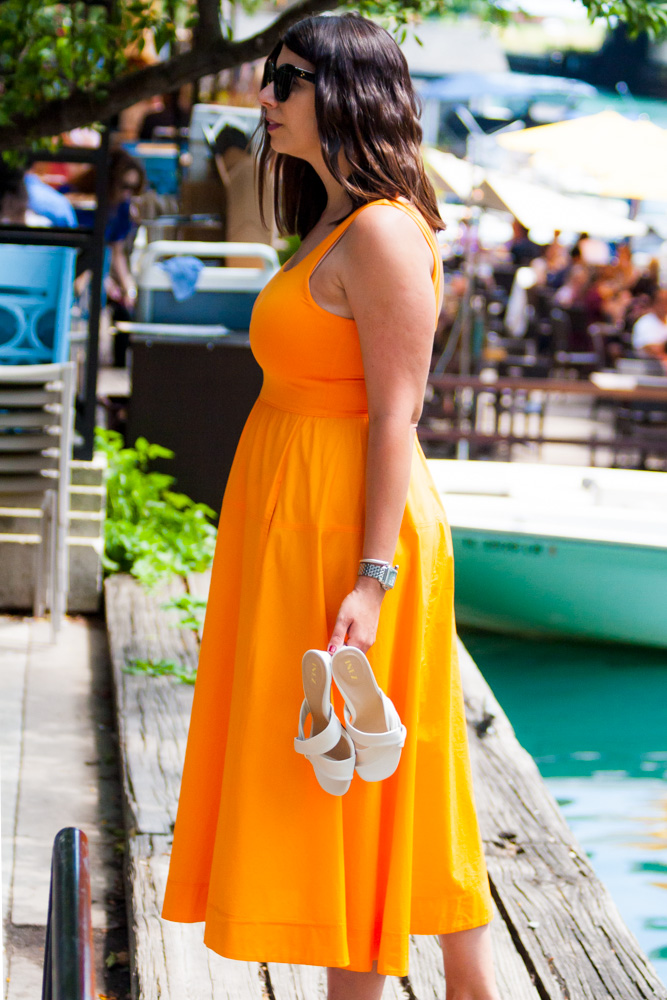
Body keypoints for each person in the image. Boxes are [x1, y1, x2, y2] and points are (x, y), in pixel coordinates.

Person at [161, 14, 498, 1000]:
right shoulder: (336, 220)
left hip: (350, 527)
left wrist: (372, 576)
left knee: (352, 778)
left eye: (284, 79)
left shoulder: (383, 231)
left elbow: (396, 414)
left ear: (343, 93)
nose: (264, 97)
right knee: (364, 775)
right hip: (302, 519)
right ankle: (470, 981)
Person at [631, 287, 667, 370]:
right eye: (662, 301)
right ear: (653, 303)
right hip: (648, 367)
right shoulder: (644, 322)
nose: (665, 305)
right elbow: (652, 349)